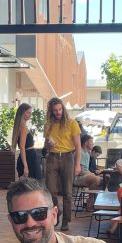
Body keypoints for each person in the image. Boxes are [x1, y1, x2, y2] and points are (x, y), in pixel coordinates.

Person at [42, 97, 82, 231]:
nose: (58, 112)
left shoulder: (72, 123)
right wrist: (48, 144)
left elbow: (78, 146)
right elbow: (45, 146)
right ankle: (57, 211)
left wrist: (77, 165)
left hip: (68, 157)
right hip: (52, 157)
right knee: (50, 191)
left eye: (59, 109)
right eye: (55, 110)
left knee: (68, 192)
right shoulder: (48, 125)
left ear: (63, 109)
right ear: (51, 111)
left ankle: (66, 220)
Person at [10, 102, 41, 180]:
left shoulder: (19, 126)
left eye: (31, 113)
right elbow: (22, 147)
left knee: (27, 187)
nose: (30, 115)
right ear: (23, 113)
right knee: (32, 186)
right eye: (28, 113)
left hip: (28, 157)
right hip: (29, 158)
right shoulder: (23, 127)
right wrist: (26, 166)